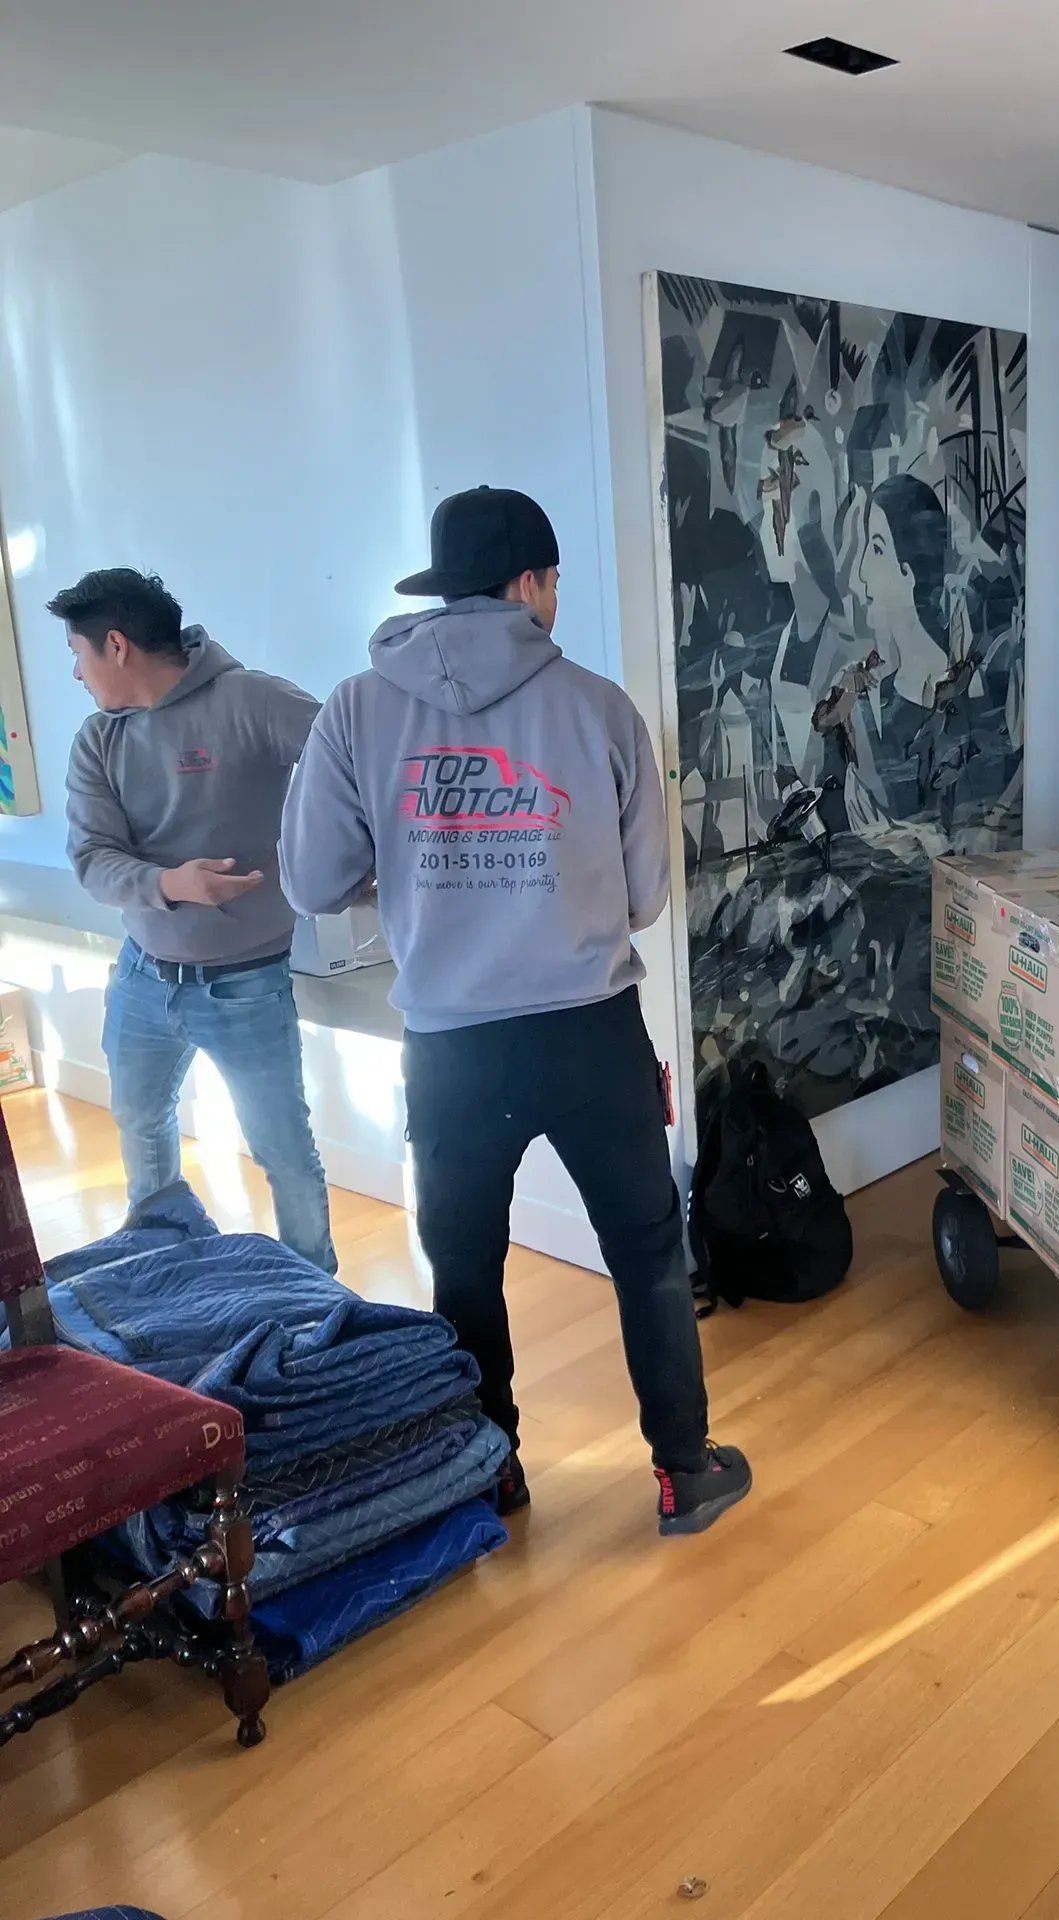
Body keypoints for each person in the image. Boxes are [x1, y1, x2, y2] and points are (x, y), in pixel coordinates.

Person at [278, 487, 751, 1536]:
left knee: (466, 1268)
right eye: (553, 583)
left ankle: (491, 1473)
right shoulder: (598, 706)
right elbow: (642, 897)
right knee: (645, 1254)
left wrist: (422, 874)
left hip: (450, 1046)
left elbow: (314, 880)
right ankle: (683, 1470)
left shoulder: (357, 707)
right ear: (532, 584)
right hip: (588, 1029)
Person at [55, 567, 335, 1274]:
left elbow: (361, 764)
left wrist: (341, 866)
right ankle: (164, 1273)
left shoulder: (253, 700)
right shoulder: (98, 741)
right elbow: (92, 858)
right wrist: (168, 884)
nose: (78, 675)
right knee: (141, 1125)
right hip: (143, 973)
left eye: (79, 655)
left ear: (116, 646)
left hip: (246, 985)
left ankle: (319, 1297)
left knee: (284, 1153)